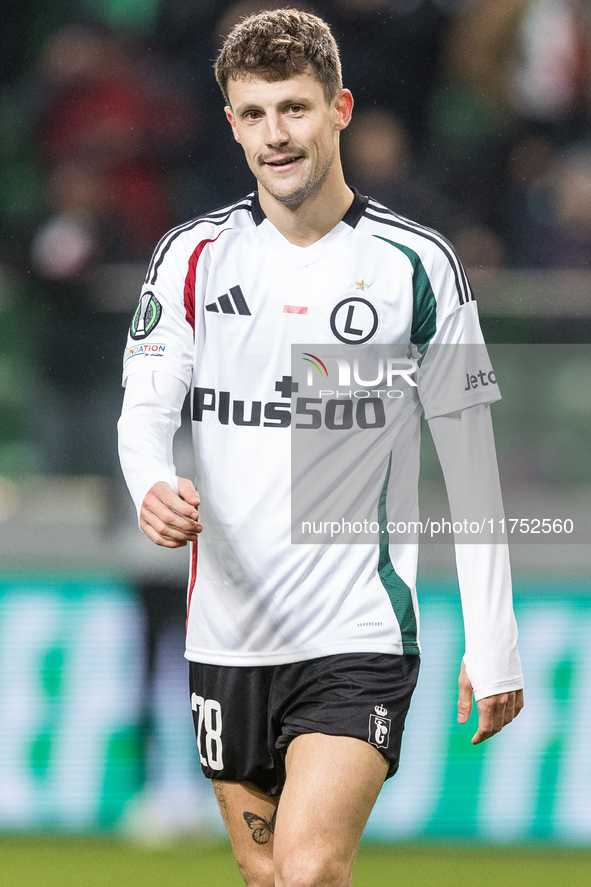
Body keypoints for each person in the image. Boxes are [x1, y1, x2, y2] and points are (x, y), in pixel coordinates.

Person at [118, 9, 524, 886]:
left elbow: (472, 463)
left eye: (294, 108)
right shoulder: (191, 258)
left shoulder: (415, 265)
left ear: (340, 108)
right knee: (265, 876)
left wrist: (494, 639)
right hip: (226, 632)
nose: (276, 134)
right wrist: (151, 482)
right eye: (254, 113)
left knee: (307, 870)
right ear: (230, 122)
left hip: (357, 630)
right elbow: (144, 410)